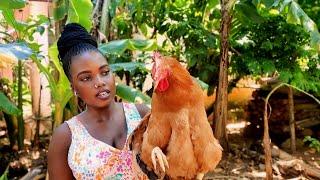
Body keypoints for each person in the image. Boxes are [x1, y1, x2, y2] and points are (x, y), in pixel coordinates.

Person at [47, 23, 150, 179]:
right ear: (73, 87)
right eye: (86, 78)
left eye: (104, 72)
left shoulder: (142, 115)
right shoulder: (66, 136)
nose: (100, 82)